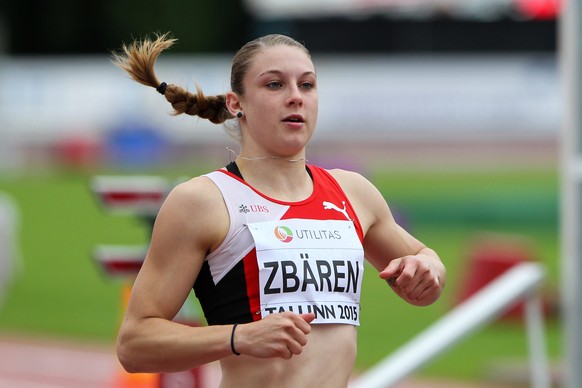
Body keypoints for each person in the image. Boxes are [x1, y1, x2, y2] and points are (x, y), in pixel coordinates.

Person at [111, 32, 446, 388]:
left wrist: (427, 269)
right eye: (274, 85)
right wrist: (239, 337)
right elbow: (134, 344)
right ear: (236, 104)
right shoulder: (204, 201)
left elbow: (426, 268)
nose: (295, 98)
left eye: (307, 85)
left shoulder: (353, 192)